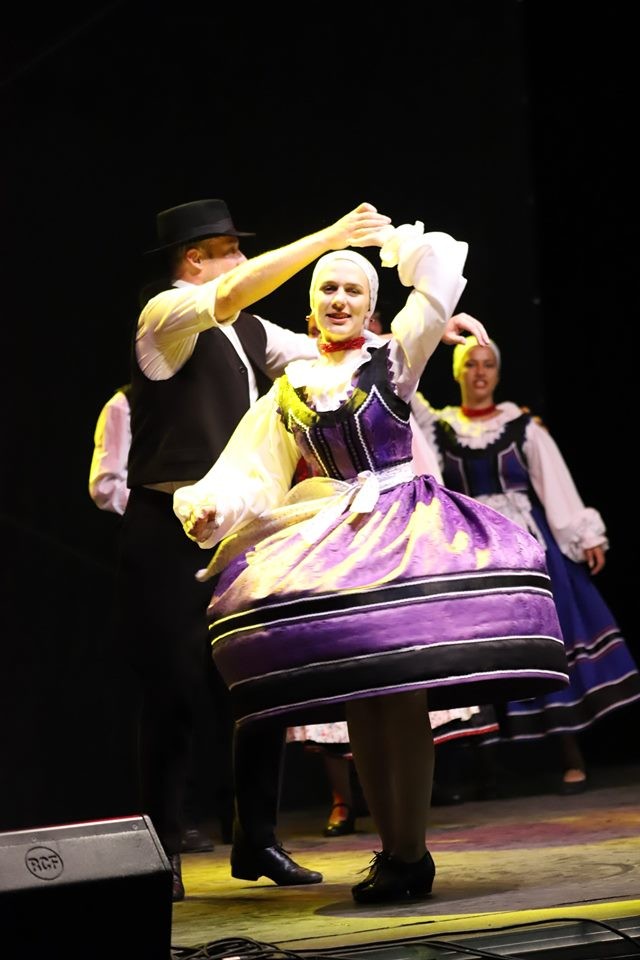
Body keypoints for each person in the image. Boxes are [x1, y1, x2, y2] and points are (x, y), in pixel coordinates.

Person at [173, 215, 569, 904]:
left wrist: (391, 245)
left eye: (352, 290)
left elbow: (439, 273)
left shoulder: (395, 356)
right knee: (363, 698)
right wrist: (215, 508)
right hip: (335, 535)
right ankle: (392, 851)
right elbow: (253, 469)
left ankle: (412, 850)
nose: (338, 300)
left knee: (402, 696)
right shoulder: (291, 386)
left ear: (370, 306)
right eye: (327, 290)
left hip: (403, 529)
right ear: (309, 309)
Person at [115, 198, 394, 901]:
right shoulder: (164, 315)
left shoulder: (247, 330)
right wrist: (328, 238)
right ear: (196, 259)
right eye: (232, 250)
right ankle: (161, 851)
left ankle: (257, 838)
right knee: (174, 691)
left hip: (240, 527)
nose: (244, 261)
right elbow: (236, 289)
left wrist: (419, 333)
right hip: (168, 531)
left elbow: (331, 350)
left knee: (260, 681)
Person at [411, 335, 640, 794]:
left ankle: (570, 756)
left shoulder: (522, 427)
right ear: (457, 372)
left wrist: (582, 534)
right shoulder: (440, 427)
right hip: (473, 549)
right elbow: (405, 388)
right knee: (482, 651)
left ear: (498, 373)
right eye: (470, 364)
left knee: (544, 643)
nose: (479, 372)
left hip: (525, 545)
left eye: (487, 364)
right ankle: (488, 766)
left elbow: (554, 483)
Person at [89, 383, 225, 853]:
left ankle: (245, 824)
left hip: (218, 537)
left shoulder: (210, 399)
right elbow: (106, 483)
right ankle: (172, 821)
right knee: (173, 685)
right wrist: (166, 510)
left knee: (229, 683)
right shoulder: (125, 403)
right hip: (164, 542)